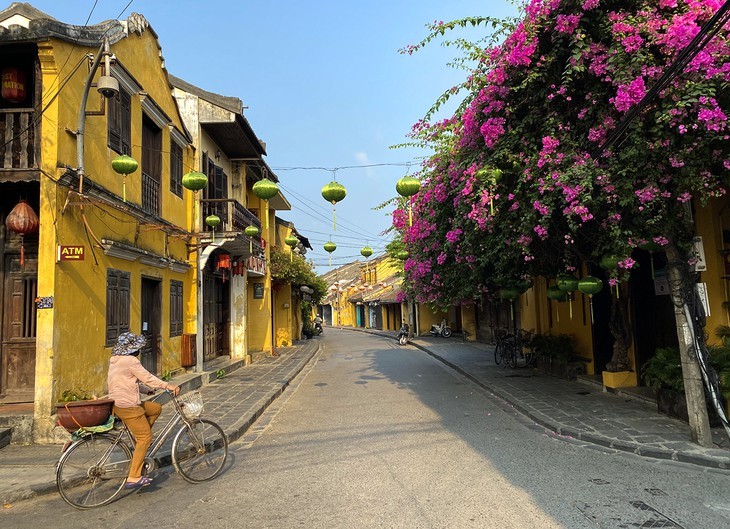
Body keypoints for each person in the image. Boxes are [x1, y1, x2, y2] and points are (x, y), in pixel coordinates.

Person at [107, 332, 180, 488]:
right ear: (132, 349)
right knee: (145, 438)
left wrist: (146, 390)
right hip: (128, 405)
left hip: (118, 402)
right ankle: (134, 476)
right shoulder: (130, 360)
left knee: (155, 408)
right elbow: (147, 377)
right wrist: (168, 386)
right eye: (137, 348)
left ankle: (139, 440)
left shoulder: (115, 361)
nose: (139, 351)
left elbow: (127, 382)